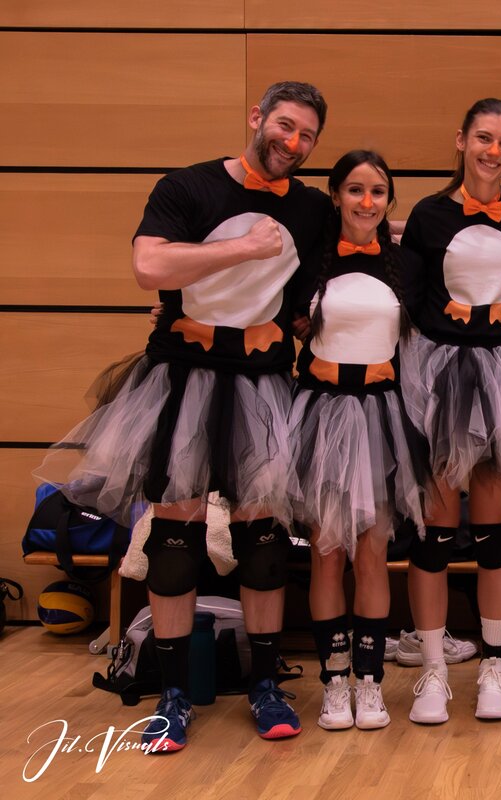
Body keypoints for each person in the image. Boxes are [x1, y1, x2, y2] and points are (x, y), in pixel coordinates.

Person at [37, 82, 331, 751]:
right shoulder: (189, 186)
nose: (292, 142)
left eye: (307, 135)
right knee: (173, 542)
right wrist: (244, 248)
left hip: (263, 384)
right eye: (284, 125)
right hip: (182, 381)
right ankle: (171, 697)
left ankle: (264, 685)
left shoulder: (311, 207)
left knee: (263, 545)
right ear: (257, 117)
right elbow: (150, 266)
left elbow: (342, 258)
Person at [397, 99, 501, 723]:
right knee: (433, 536)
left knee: (494, 536)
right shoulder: (429, 215)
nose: (494, 151)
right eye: (484, 138)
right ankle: (433, 669)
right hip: (438, 379)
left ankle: (493, 668)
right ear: (461, 141)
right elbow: (403, 298)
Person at [292, 150, 427, 732]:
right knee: (326, 554)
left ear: (389, 200)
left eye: (377, 191)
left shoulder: (408, 267)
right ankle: (334, 683)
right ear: (335, 196)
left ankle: (370, 684)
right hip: (319, 417)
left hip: (381, 419)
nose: (366, 201)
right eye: (354, 189)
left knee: (372, 555)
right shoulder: (309, 263)